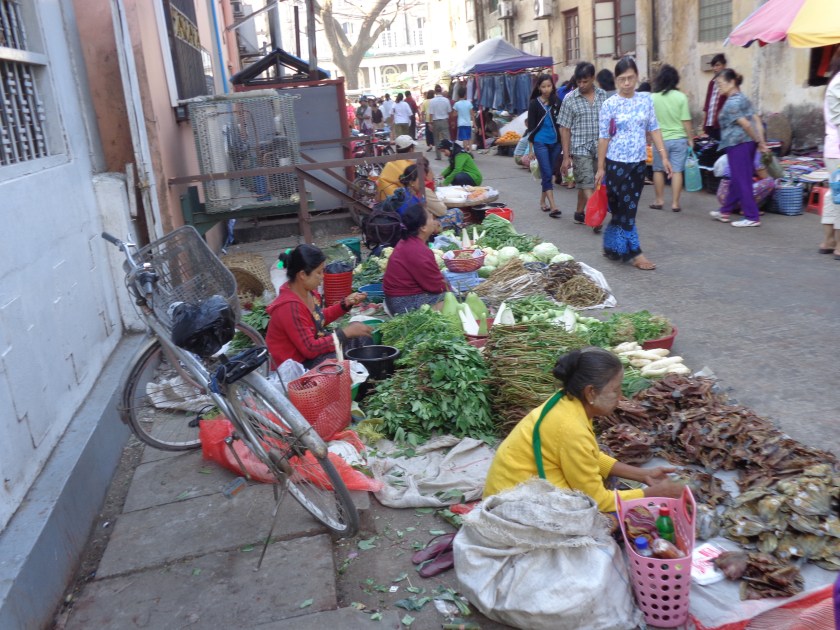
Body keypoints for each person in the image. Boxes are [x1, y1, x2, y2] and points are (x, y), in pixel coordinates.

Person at [483, 348, 685, 516]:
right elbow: (597, 501)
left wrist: (642, 474)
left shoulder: (566, 401)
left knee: (606, 470)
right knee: (615, 519)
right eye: (615, 390)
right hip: (510, 506)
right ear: (591, 392)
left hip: (506, 486)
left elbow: (588, 455)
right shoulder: (571, 428)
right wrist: (653, 493)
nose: (621, 396)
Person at [595, 56, 672, 271]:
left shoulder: (646, 100)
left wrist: (663, 156)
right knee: (622, 208)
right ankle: (632, 251)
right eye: (622, 79)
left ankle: (617, 247)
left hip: (638, 163)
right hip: (616, 163)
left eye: (630, 78)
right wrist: (600, 167)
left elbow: (654, 128)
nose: (627, 83)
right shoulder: (609, 104)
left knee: (628, 209)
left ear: (637, 77)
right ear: (616, 80)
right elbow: (603, 137)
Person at [265, 245, 371, 369]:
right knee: (336, 360)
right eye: (319, 272)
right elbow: (310, 348)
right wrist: (346, 333)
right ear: (303, 275)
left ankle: (366, 381)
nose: (323, 276)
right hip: (294, 367)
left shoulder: (309, 292)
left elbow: (318, 319)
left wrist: (345, 304)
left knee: (361, 338)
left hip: (309, 355)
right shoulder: (289, 307)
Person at [709, 69, 768, 228]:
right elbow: (757, 120)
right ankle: (725, 211)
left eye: (720, 84)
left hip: (738, 145)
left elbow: (747, 124)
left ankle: (752, 216)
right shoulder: (743, 98)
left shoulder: (731, 103)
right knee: (737, 178)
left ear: (731, 82)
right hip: (747, 144)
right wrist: (760, 141)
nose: (718, 87)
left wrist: (758, 141)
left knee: (742, 180)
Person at [558, 61, 608, 230]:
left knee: (586, 181)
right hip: (580, 147)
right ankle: (597, 216)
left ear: (592, 78)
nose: (581, 85)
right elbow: (564, 128)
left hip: (600, 146)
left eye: (585, 81)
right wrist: (566, 156)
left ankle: (579, 213)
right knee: (587, 182)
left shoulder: (603, 96)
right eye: (578, 82)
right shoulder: (569, 99)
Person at [382, 203, 448, 314]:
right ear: (423, 227)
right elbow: (436, 287)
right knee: (452, 299)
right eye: (430, 217)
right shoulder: (418, 250)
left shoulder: (408, 241)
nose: (433, 219)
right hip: (403, 303)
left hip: (395, 299)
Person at [650, 64, 694, 213]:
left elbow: (650, 121)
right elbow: (686, 120)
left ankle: (659, 200)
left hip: (659, 140)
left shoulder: (653, 98)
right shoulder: (681, 97)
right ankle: (675, 203)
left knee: (657, 170)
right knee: (677, 171)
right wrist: (691, 138)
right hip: (679, 139)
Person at [526, 73, 563, 218]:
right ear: (539, 88)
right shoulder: (534, 104)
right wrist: (530, 149)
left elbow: (562, 124)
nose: (546, 89)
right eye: (543, 87)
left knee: (549, 173)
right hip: (540, 142)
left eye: (549, 86)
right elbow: (531, 129)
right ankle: (553, 206)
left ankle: (542, 201)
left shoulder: (557, 102)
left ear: (552, 86)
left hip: (555, 142)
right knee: (547, 172)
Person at [397, 162, 463, 230]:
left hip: (410, 227)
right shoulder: (422, 192)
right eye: (422, 180)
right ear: (411, 182)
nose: (424, 183)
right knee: (457, 212)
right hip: (418, 229)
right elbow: (442, 211)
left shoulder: (401, 192)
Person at [820, 47, 840, 258]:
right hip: (838, 149)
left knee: (834, 194)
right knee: (839, 195)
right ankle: (838, 245)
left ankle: (829, 240)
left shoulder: (834, 81)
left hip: (833, 148)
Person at [376, 135, 418, 201]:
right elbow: (416, 187)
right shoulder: (407, 165)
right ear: (411, 149)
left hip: (384, 198)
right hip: (394, 202)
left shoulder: (393, 161)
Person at [702, 54, 728, 140]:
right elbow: (707, 106)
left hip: (723, 126)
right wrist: (704, 126)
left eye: (717, 65)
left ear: (724, 65)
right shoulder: (712, 83)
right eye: (713, 66)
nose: (715, 68)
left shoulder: (729, 82)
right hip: (710, 126)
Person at [429, 85, 453, 160]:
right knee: (447, 138)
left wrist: (430, 123)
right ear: (441, 91)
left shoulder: (432, 101)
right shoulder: (446, 100)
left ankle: (438, 156)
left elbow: (431, 113)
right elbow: (449, 112)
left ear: (435, 91)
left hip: (435, 121)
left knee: (436, 139)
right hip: (444, 121)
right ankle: (450, 154)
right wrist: (450, 121)